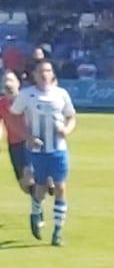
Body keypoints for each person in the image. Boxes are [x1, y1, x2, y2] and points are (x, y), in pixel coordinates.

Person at [10, 61, 75, 245]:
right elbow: (13, 117)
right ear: (35, 75)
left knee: (61, 188)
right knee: (40, 188)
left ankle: (58, 232)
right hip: (37, 150)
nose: (45, 74)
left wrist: (67, 130)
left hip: (58, 150)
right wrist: (26, 136)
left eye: (48, 70)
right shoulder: (27, 95)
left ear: (52, 74)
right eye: (41, 71)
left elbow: (71, 116)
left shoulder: (61, 94)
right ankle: (36, 212)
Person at [1, 71, 28, 195]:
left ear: (18, 83)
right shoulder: (1, 104)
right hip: (14, 146)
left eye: (11, 80)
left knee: (31, 178)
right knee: (24, 186)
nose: (8, 83)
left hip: (30, 143)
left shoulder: (27, 101)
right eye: (5, 80)